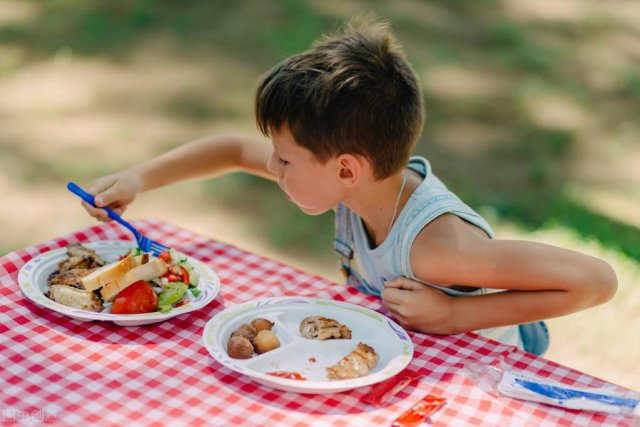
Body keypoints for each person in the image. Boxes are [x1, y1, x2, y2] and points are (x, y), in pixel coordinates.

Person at [80, 17, 617, 355]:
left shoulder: (437, 248)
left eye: (285, 160)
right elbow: (229, 149)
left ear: (345, 170)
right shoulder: (359, 184)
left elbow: (595, 281)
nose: (271, 166)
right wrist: (138, 178)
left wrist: (456, 315)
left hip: (485, 369)